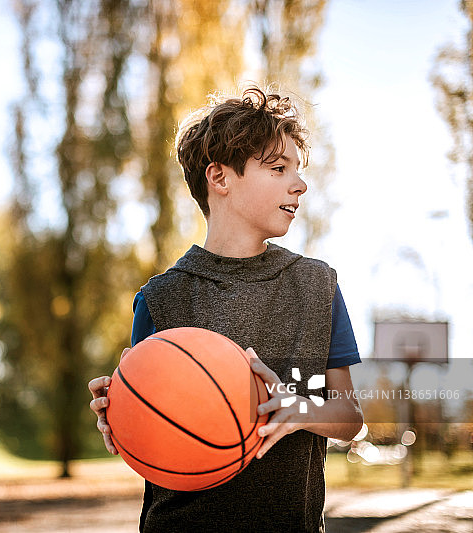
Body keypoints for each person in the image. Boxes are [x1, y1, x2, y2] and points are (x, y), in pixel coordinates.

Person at [88, 85, 364, 533]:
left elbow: (349, 417)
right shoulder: (162, 299)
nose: (300, 184)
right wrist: (122, 418)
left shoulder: (317, 286)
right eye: (278, 169)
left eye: (298, 170)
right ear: (220, 179)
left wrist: (294, 409)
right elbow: (156, 435)